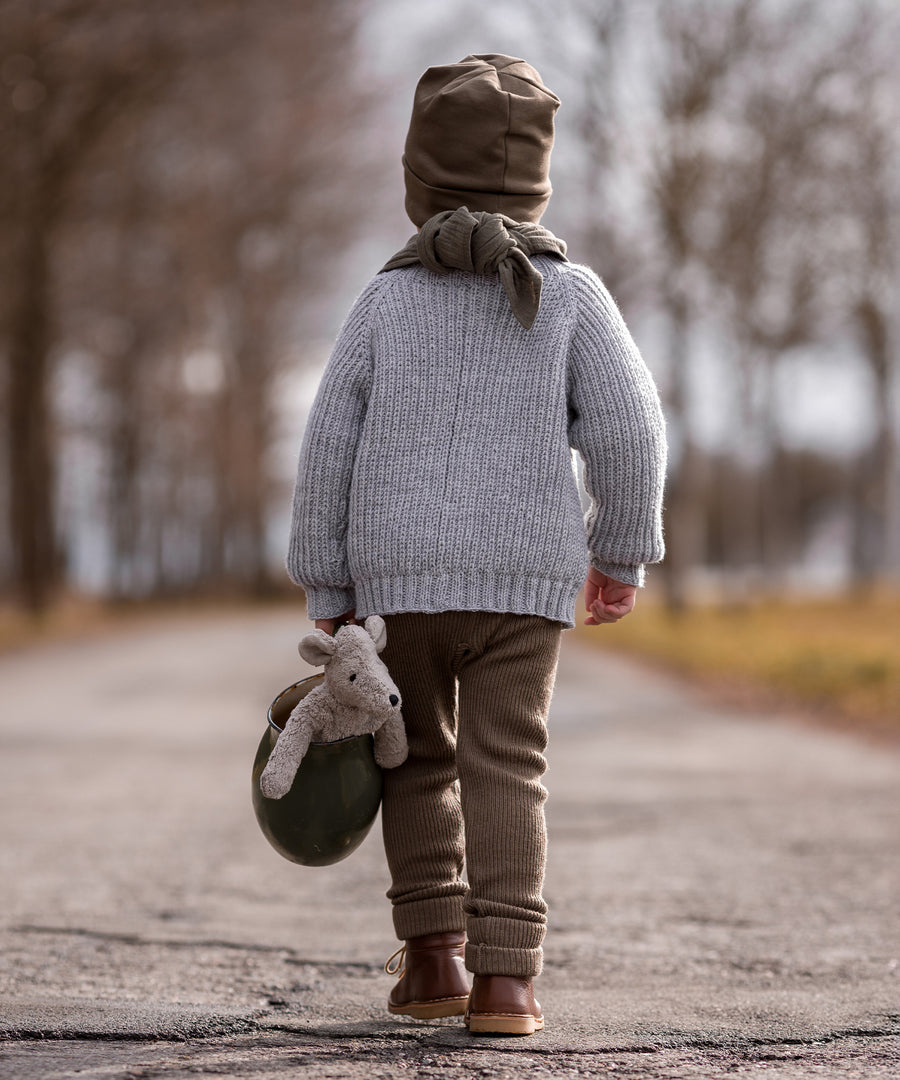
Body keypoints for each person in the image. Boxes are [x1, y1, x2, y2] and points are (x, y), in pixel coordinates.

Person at [285, 54, 666, 1035]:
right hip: (523, 581)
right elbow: (629, 432)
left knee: (413, 760)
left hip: (395, 582)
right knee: (510, 763)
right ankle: (508, 982)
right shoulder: (574, 295)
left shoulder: (382, 302)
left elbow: (329, 442)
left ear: (417, 181)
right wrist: (618, 552)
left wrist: (327, 578)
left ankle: (434, 960)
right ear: (537, 181)